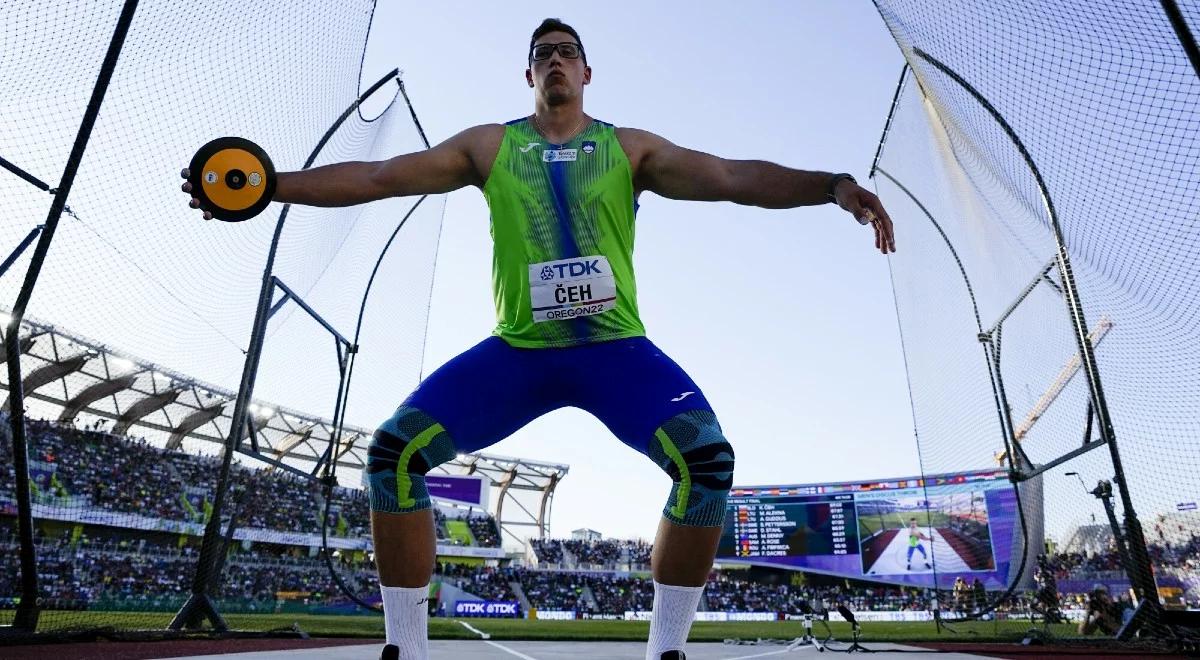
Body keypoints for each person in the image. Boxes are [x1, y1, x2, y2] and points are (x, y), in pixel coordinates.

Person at [182, 18, 894, 660]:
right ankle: (406, 650)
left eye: (567, 53)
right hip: (519, 354)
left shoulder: (629, 148)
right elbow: (376, 176)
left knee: (707, 463)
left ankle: (666, 651)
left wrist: (831, 186)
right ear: (529, 76)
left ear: (586, 74)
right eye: (542, 54)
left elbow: (733, 177)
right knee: (392, 455)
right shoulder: (490, 146)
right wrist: (270, 184)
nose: (555, 60)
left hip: (613, 351)